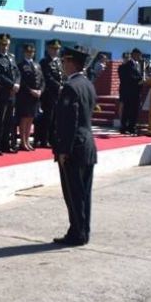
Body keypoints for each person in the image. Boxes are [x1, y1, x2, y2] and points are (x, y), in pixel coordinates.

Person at [52, 45, 97, 246]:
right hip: (87, 145)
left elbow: (69, 121)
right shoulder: (87, 84)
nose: (62, 65)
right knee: (84, 194)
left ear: (71, 63)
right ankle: (82, 230)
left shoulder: (71, 87)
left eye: (64, 62)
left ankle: (77, 233)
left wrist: (63, 150)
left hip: (74, 148)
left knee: (73, 194)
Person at [0, 33, 20, 155]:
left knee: (9, 120)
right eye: (3, 44)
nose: (5, 47)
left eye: (7, 44)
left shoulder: (11, 57)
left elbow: (17, 72)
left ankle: (5, 144)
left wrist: (17, 83)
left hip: (12, 94)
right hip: (2, 92)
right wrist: (11, 85)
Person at [36, 39, 63, 148]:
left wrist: (64, 85)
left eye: (57, 49)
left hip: (59, 94)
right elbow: (47, 77)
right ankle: (44, 139)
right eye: (53, 49)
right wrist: (58, 86)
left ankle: (53, 139)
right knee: (48, 118)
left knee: (56, 118)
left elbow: (63, 76)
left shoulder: (59, 62)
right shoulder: (44, 62)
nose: (55, 51)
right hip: (49, 94)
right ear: (48, 49)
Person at [16, 43, 44, 151]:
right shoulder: (21, 65)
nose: (30, 54)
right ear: (24, 52)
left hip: (35, 97)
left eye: (32, 52)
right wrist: (30, 90)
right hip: (25, 96)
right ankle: (23, 142)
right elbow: (21, 81)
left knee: (31, 119)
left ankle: (27, 140)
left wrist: (40, 90)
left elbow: (42, 80)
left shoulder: (37, 65)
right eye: (28, 52)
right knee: (24, 119)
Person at [117, 48, 144, 135]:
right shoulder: (127, 65)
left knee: (134, 110)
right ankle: (124, 127)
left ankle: (131, 127)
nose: (140, 57)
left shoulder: (139, 64)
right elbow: (129, 78)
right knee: (127, 110)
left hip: (136, 92)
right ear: (134, 54)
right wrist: (139, 80)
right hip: (129, 91)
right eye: (139, 55)